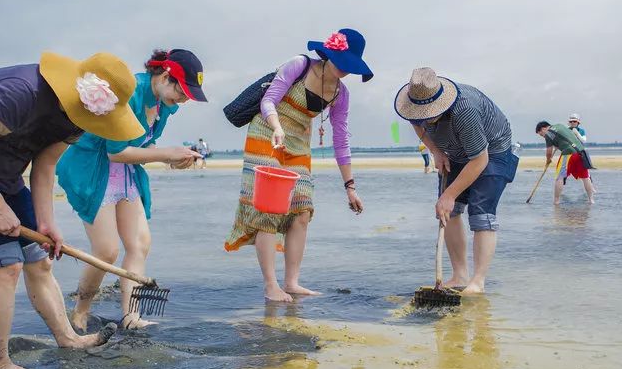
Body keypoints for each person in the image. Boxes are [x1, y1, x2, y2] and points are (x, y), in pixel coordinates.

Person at [0, 51, 144, 369]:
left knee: (40, 259)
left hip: (6, 174)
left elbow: (45, 166)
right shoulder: (20, 93)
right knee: (7, 264)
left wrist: (46, 223)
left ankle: (68, 338)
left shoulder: (79, 119)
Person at [57, 49, 205, 331]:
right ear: (164, 76)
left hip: (124, 171)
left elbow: (143, 145)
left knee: (140, 244)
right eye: (182, 91)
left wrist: (175, 159)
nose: (184, 100)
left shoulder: (164, 104)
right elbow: (116, 151)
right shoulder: (130, 92)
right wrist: (165, 154)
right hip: (92, 167)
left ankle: (131, 316)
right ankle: (80, 312)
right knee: (106, 250)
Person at [225, 29, 368, 302]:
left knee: (302, 210)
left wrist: (350, 187)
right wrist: (277, 126)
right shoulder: (299, 66)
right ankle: (271, 286)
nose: (346, 70)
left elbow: (341, 140)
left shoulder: (341, 93)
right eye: (343, 62)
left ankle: (291, 282)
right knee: (269, 208)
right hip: (267, 133)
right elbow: (268, 100)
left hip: (299, 145)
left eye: (351, 66)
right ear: (329, 54)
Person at [396, 67, 517, 295]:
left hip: (492, 152)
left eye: (427, 113)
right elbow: (416, 124)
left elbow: (480, 160)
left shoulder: (465, 111)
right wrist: (435, 151)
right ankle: (459, 275)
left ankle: (477, 282)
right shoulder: (414, 106)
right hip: (453, 151)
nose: (422, 117)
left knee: (481, 213)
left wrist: (449, 194)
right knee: (446, 212)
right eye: (418, 112)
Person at [536, 120, 594, 204]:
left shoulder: (548, 134)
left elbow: (549, 152)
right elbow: (566, 137)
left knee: (559, 177)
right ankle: (591, 200)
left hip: (568, 153)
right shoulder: (560, 125)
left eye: (541, 134)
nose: (543, 136)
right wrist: (558, 145)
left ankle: (556, 201)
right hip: (581, 152)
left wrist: (548, 160)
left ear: (544, 128)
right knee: (585, 177)